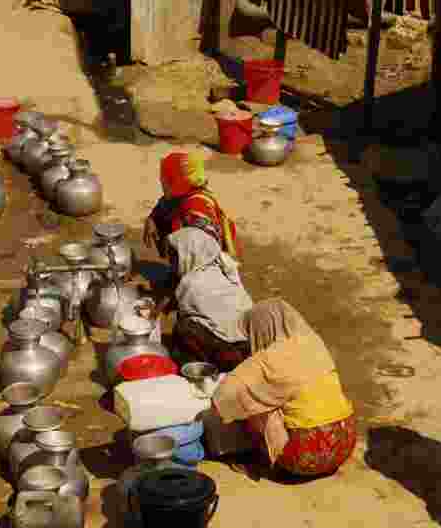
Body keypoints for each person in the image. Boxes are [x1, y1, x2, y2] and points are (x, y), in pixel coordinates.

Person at [211, 299, 357, 479]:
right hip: (345, 443)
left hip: (307, 457)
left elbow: (222, 398)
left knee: (252, 401)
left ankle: (259, 461)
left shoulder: (268, 359)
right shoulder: (313, 343)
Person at [152, 228, 253, 371]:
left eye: (176, 257)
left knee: (184, 326)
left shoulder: (192, 282)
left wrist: (153, 312)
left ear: (189, 254)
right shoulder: (222, 270)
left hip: (229, 351)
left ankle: (199, 364)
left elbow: (174, 303)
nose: (172, 263)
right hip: (250, 343)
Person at [142, 151, 241, 262]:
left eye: (165, 178)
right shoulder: (179, 196)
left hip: (208, 265)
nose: (161, 181)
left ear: (176, 180)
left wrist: (171, 241)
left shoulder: (197, 205)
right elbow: (162, 207)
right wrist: (152, 219)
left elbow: (205, 247)